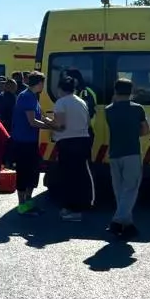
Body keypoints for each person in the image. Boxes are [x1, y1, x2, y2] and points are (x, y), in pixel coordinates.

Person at [38, 75, 92, 221]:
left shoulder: (61, 103)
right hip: (83, 141)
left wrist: (46, 120)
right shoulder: (81, 102)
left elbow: (60, 126)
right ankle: (82, 206)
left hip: (68, 143)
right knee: (80, 176)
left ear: (60, 88)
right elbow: (87, 122)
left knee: (68, 177)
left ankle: (71, 210)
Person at [104, 77, 149, 238]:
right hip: (132, 152)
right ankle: (117, 221)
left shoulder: (108, 109)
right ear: (131, 92)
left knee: (119, 190)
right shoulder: (138, 109)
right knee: (130, 188)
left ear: (115, 91)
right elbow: (145, 130)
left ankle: (128, 225)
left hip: (114, 153)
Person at [11, 72, 45, 205]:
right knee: (24, 174)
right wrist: (52, 128)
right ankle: (22, 205)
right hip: (23, 142)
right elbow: (33, 121)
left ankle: (28, 204)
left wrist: (53, 123)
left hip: (31, 141)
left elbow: (41, 116)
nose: (43, 86)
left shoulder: (33, 96)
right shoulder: (26, 97)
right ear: (39, 83)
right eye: (43, 83)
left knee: (33, 174)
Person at [0, 76, 18, 165]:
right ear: (11, 87)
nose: (16, 88)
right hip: (11, 124)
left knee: (3, 144)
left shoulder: (1, 96)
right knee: (10, 145)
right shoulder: (12, 97)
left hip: (2, 123)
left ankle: (3, 162)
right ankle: (10, 162)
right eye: (15, 86)